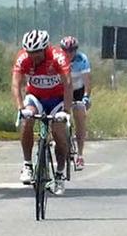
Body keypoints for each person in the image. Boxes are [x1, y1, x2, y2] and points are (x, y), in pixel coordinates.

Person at [11, 29, 73, 195]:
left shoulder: (58, 57)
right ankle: (27, 165)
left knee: (58, 133)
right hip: (36, 97)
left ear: (45, 49)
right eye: (30, 52)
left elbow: (68, 84)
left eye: (37, 52)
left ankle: (59, 174)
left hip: (57, 99)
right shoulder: (23, 58)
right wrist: (20, 108)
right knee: (27, 121)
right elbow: (16, 84)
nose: (33, 56)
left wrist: (66, 111)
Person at [59, 35, 91, 171]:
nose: (69, 53)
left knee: (79, 116)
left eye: (72, 50)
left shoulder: (82, 59)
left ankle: (80, 155)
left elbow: (87, 81)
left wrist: (86, 97)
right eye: (66, 50)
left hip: (78, 91)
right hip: (62, 91)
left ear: (76, 50)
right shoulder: (58, 59)